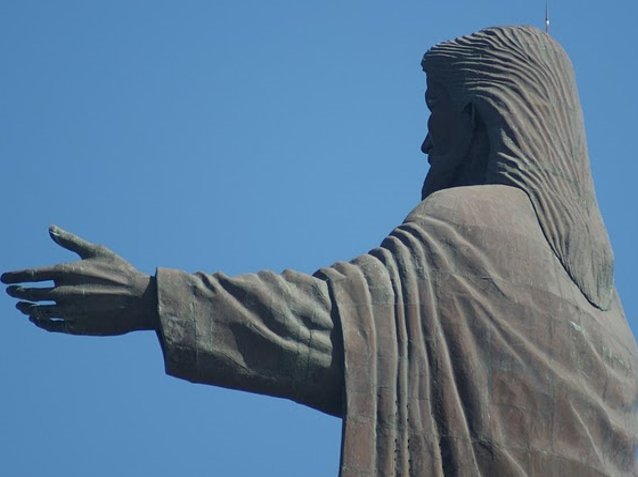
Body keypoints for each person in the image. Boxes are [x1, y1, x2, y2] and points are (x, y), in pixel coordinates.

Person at [3, 26, 638, 476]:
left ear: (483, 117)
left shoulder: (470, 226)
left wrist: (152, 299)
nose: (424, 141)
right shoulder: (617, 331)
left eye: (434, 109)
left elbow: (331, 327)